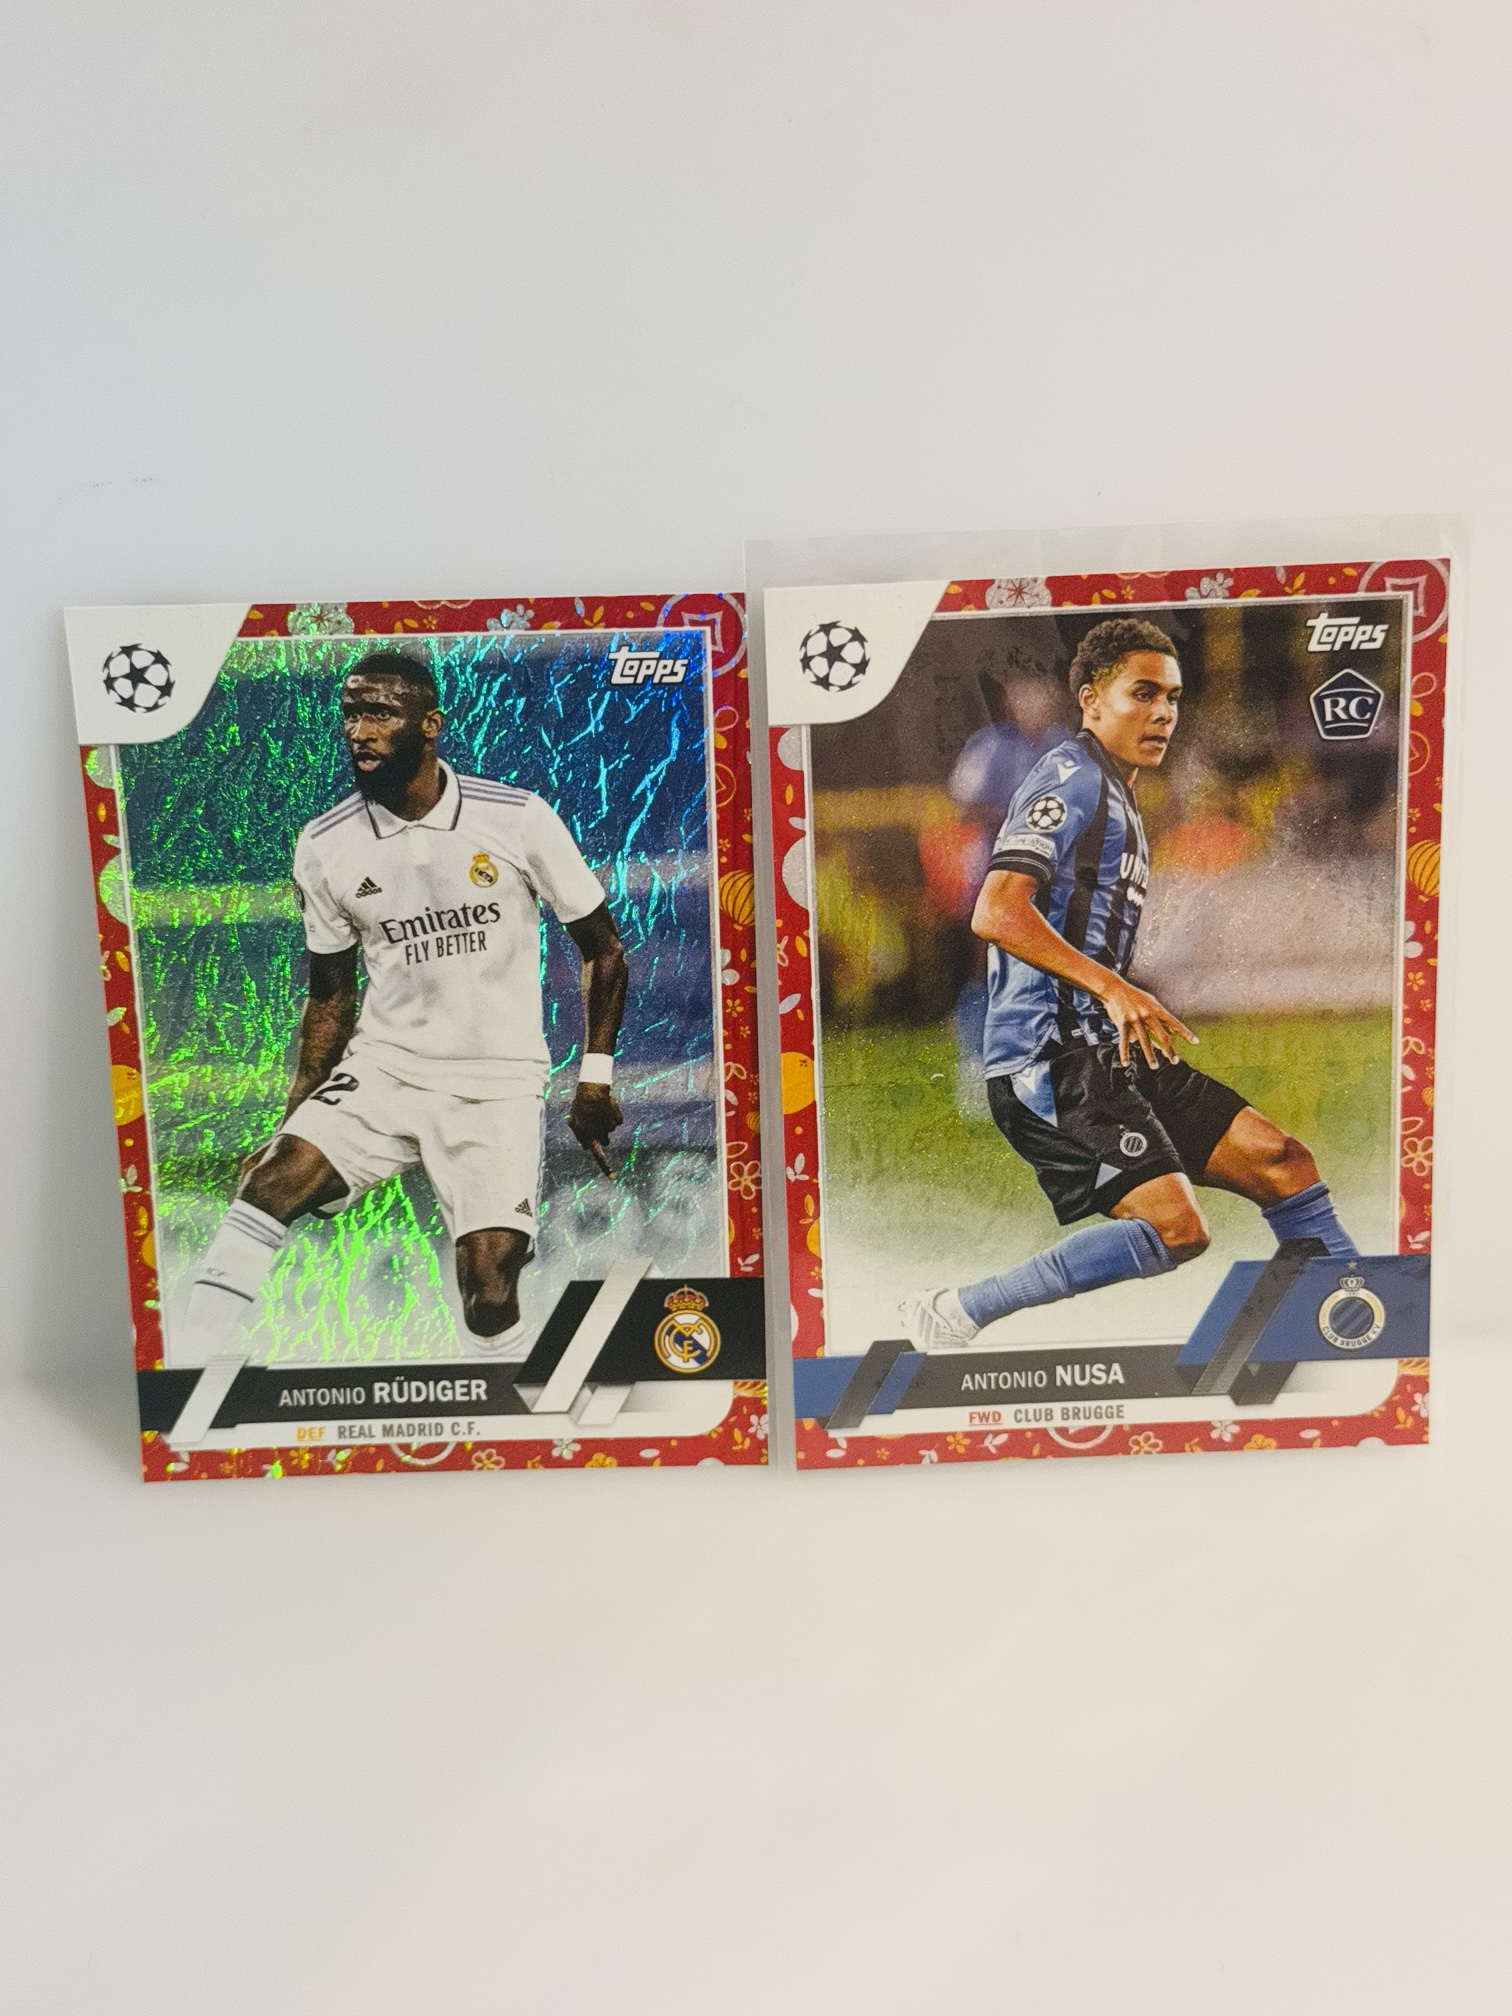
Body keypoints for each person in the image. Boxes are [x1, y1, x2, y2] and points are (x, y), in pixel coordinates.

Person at [900, 617, 1356, 1352]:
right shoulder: (1070, 775)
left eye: (1171, 697)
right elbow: (997, 909)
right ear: (1090, 700)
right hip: (1051, 1058)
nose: (1163, 712)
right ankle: (956, 1312)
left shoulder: (1119, 794)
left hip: (1109, 1050)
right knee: (1176, 1230)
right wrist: (1112, 988)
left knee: (1283, 1162)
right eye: (1142, 693)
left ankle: (1349, 1321)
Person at [178, 649, 627, 1365]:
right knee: (269, 1184)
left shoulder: (516, 818)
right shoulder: (324, 844)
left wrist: (594, 1078)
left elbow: (604, 950)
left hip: (495, 1081)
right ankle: (187, 1371)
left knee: (489, 1293)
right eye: (351, 713)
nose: (360, 730)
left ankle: (506, 1399)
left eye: (380, 713)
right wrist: (292, 1123)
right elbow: (331, 996)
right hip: (386, 1067)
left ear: (429, 723)